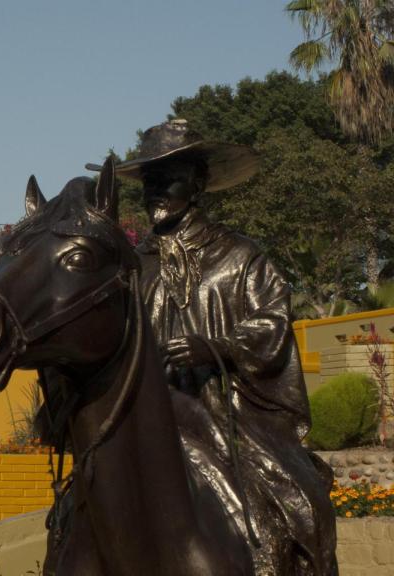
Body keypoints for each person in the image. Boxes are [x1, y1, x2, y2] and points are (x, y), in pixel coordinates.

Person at [121, 119, 337, 574]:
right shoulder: (131, 268)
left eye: (169, 179)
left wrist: (216, 347)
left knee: (296, 504)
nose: (155, 191)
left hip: (228, 413)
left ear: (198, 184)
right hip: (149, 414)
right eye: (150, 181)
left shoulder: (241, 257)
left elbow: (273, 320)